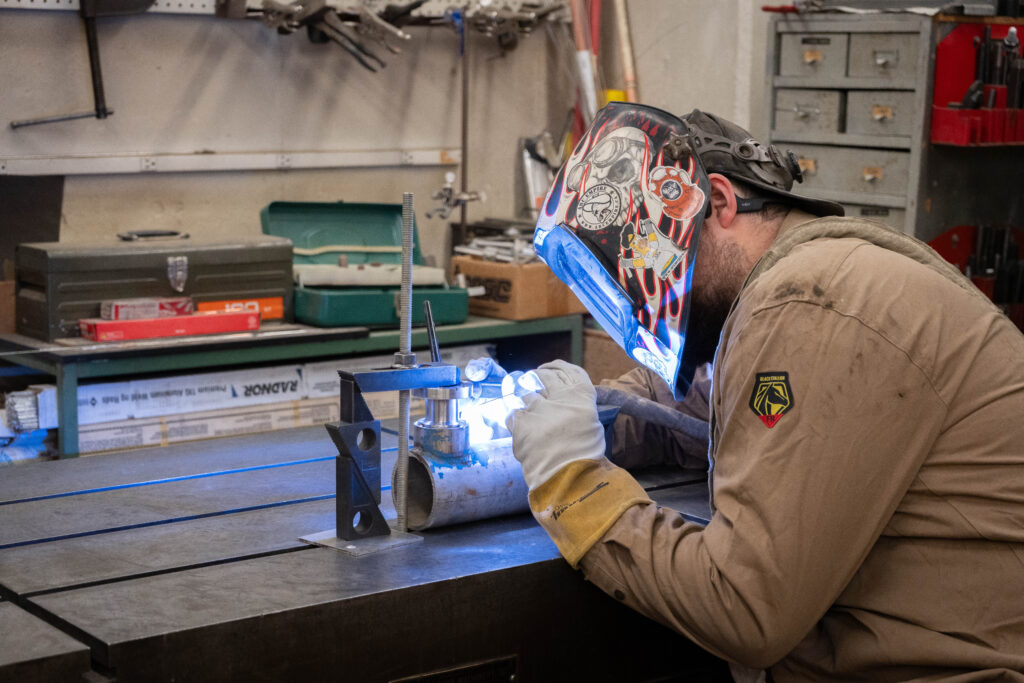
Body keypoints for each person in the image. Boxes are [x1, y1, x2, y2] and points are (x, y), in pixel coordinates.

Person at [509, 103, 1024, 680]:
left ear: (721, 203)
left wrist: (573, 481)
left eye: (654, 274)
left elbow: (743, 608)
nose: (649, 311)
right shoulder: (804, 287)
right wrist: (586, 420)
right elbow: (698, 399)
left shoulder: (812, 301)